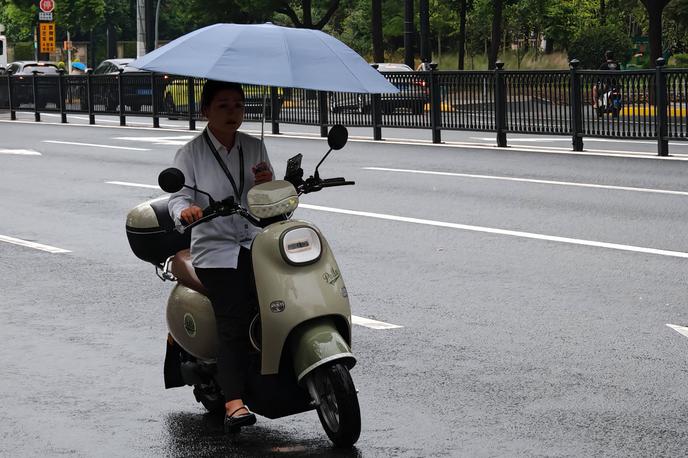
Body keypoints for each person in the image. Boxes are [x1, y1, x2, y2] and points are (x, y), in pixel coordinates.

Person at [168, 80, 274, 433]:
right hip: (215, 248)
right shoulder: (191, 153)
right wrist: (187, 211)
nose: (233, 113)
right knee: (234, 317)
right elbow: (177, 197)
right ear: (205, 111)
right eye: (224, 105)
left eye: (239, 106)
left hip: (254, 241)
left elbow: (268, 195)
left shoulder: (254, 145)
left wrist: (268, 184)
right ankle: (234, 402)